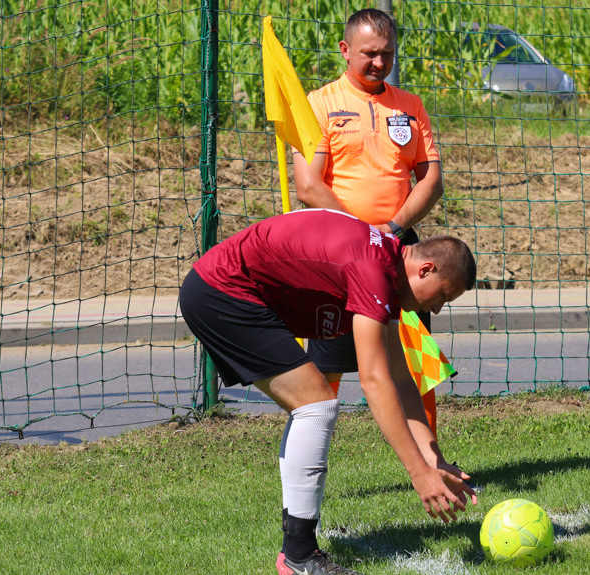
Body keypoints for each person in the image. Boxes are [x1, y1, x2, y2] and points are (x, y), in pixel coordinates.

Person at [179, 209, 477, 575]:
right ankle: (299, 555)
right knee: (316, 405)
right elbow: (375, 381)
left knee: (314, 404)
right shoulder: (374, 271)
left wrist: (433, 459)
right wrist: (417, 473)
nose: (437, 308)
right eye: (443, 296)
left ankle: (298, 551)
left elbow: (400, 377)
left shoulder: (386, 263)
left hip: (222, 289)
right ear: (426, 269)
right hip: (222, 292)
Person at [293, 8, 445, 435]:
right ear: (345, 50)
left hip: (399, 250)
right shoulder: (319, 104)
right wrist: (360, 232)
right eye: (370, 53)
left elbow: (430, 180)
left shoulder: (411, 107)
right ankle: (311, 468)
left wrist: (393, 228)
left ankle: (433, 462)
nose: (380, 63)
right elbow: (308, 186)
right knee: (325, 371)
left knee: (418, 364)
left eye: (388, 54)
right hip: (337, 253)